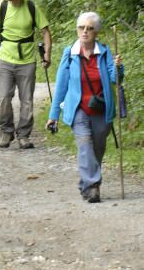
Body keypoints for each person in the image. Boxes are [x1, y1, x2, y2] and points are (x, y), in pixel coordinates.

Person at [46, 11, 123, 203]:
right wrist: (53, 115)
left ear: (96, 32)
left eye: (90, 28)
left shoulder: (104, 53)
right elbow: (61, 85)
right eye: (82, 28)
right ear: (77, 30)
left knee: (97, 147)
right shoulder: (70, 54)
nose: (85, 32)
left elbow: (116, 79)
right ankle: (94, 186)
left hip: (101, 108)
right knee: (84, 145)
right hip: (78, 108)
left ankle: (86, 184)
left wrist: (118, 66)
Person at [0, 0, 52, 149]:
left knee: (27, 100)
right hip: (5, 58)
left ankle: (24, 135)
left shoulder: (31, 7)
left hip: (27, 59)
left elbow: (45, 31)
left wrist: (47, 55)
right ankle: (7, 132)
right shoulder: (1, 7)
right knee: (4, 98)